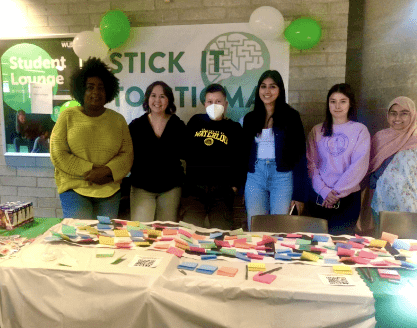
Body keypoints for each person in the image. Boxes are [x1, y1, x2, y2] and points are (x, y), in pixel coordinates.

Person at [50, 57, 133, 220]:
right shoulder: (68, 116)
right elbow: (58, 152)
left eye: (101, 87)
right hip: (74, 188)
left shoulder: (118, 120)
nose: (96, 92)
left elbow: (127, 154)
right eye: (90, 87)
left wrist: (107, 172)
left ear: (108, 91)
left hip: (109, 189)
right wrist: (91, 170)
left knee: (104, 239)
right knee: (79, 238)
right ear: (81, 90)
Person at [243, 70, 308, 230]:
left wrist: (299, 195)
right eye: (263, 86)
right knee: (255, 227)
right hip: (255, 176)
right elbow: (243, 154)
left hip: (282, 177)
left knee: (280, 228)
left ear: (280, 90)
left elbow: (300, 156)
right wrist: (242, 187)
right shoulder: (250, 118)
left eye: (272, 86)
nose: (267, 91)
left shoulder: (291, 116)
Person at [307, 83, 370, 235]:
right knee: (316, 247)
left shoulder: (360, 130)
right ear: (328, 104)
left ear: (350, 104)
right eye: (333, 101)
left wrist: (335, 193)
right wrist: (324, 191)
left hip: (347, 199)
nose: (337, 106)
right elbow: (311, 164)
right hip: (319, 197)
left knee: (340, 248)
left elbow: (358, 165)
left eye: (343, 101)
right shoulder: (317, 130)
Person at [181, 83, 243, 230]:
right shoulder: (196, 121)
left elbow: (240, 159)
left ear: (226, 104)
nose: (213, 105)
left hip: (222, 191)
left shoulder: (234, 128)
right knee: (189, 232)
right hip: (195, 189)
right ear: (204, 104)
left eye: (218, 101)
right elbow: (184, 150)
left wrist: (234, 187)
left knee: (221, 234)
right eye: (210, 101)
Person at [129, 81, 186, 222]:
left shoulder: (178, 125)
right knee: (141, 232)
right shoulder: (136, 125)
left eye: (162, 96)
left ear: (169, 100)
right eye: (153, 95)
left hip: (170, 188)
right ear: (148, 99)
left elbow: (187, 154)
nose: (157, 100)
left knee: (166, 233)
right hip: (142, 188)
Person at [364, 97, 417, 227]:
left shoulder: (415, 140)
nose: (397, 118)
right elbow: (369, 169)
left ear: (413, 115)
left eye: (404, 113)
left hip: (410, 207)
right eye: (393, 113)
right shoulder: (380, 138)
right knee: (380, 244)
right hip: (381, 204)